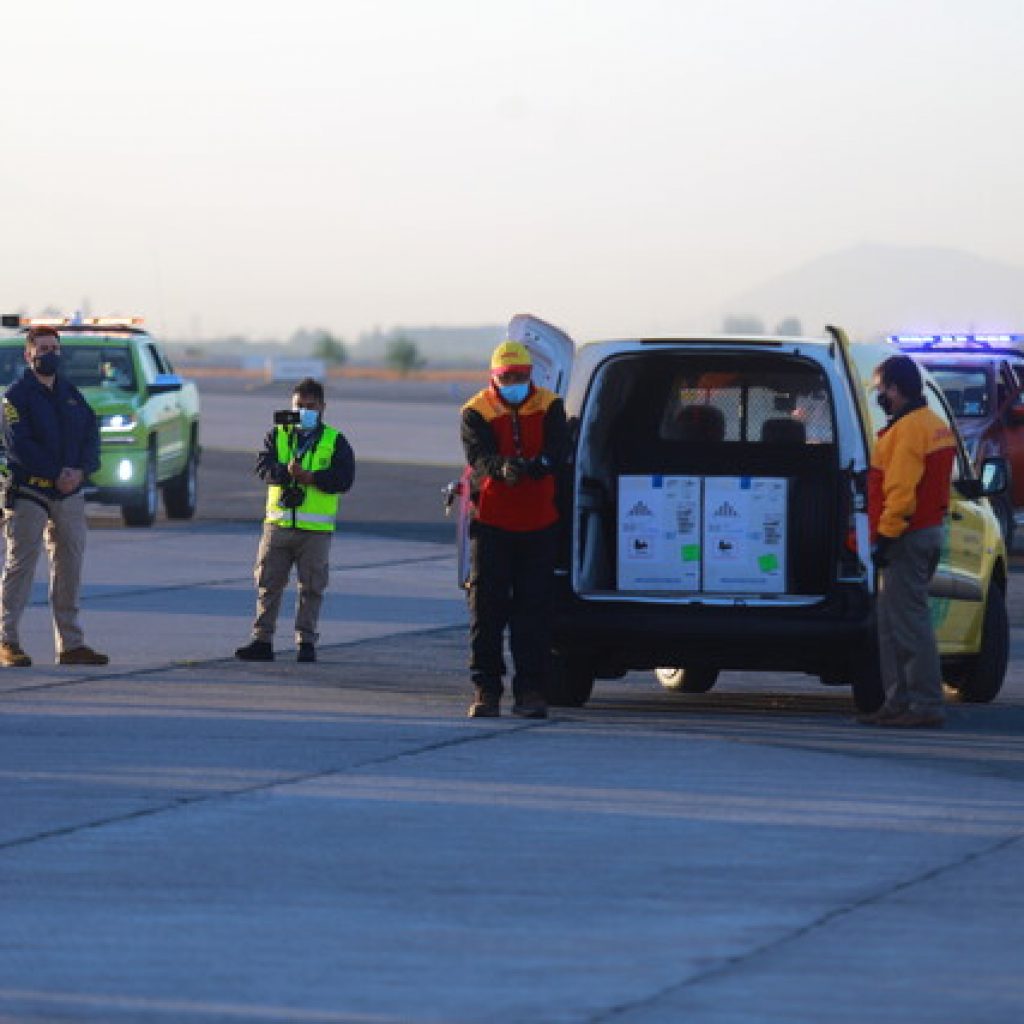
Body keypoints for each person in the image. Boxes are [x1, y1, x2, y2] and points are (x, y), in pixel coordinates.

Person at [460, 340, 568, 718]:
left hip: (539, 524)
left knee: (534, 613)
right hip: (492, 524)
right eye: (507, 377)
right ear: (494, 377)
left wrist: (537, 465)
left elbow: (560, 449)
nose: (514, 383)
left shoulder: (550, 405)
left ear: (530, 375)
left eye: (520, 376)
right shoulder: (476, 411)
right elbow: (479, 457)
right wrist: (503, 468)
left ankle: (531, 691)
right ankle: (486, 690)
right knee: (486, 612)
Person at [0, 325, 108, 667]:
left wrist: (80, 471)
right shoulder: (15, 398)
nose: (50, 355)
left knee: (69, 566)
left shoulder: (72, 394)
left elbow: (91, 436)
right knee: (21, 566)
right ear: (28, 354)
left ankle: (71, 644)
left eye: (55, 348)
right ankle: (6, 640)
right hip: (30, 491)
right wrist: (55, 472)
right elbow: (19, 445)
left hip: (70, 493)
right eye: (43, 348)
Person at [860, 354, 955, 728]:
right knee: (893, 622)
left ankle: (924, 704)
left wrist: (885, 535)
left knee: (909, 624)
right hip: (925, 530)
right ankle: (898, 701)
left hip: (907, 534)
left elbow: (901, 491)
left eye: (882, 390)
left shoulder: (908, 431)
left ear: (896, 389)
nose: (880, 397)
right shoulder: (934, 425)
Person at [235, 377, 354, 664]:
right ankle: (262, 640)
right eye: (298, 406)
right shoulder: (278, 434)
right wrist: (286, 473)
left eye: (310, 407)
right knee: (268, 583)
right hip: (278, 525)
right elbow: (262, 468)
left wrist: (312, 478)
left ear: (323, 407)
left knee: (311, 588)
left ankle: (306, 642)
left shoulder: (334, 440)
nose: (303, 412)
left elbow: (344, 479)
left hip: (315, 530)